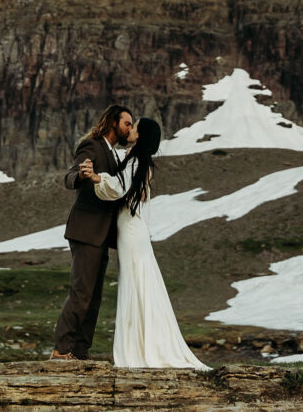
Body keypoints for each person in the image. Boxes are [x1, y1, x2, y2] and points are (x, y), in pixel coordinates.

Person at [83, 117, 209, 370]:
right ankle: (144, 346)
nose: (130, 130)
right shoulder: (136, 159)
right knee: (139, 285)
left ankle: (138, 350)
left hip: (131, 232)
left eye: (135, 127)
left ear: (141, 135)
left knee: (135, 285)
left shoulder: (138, 161)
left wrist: (97, 178)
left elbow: (120, 187)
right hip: (132, 230)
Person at [51, 103, 133, 361]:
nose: (129, 128)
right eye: (126, 123)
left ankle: (80, 350)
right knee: (81, 293)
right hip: (86, 232)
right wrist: (83, 175)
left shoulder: (113, 153)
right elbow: (70, 175)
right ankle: (61, 350)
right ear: (112, 123)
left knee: (94, 297)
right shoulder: (92, 146)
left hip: (101, 236)